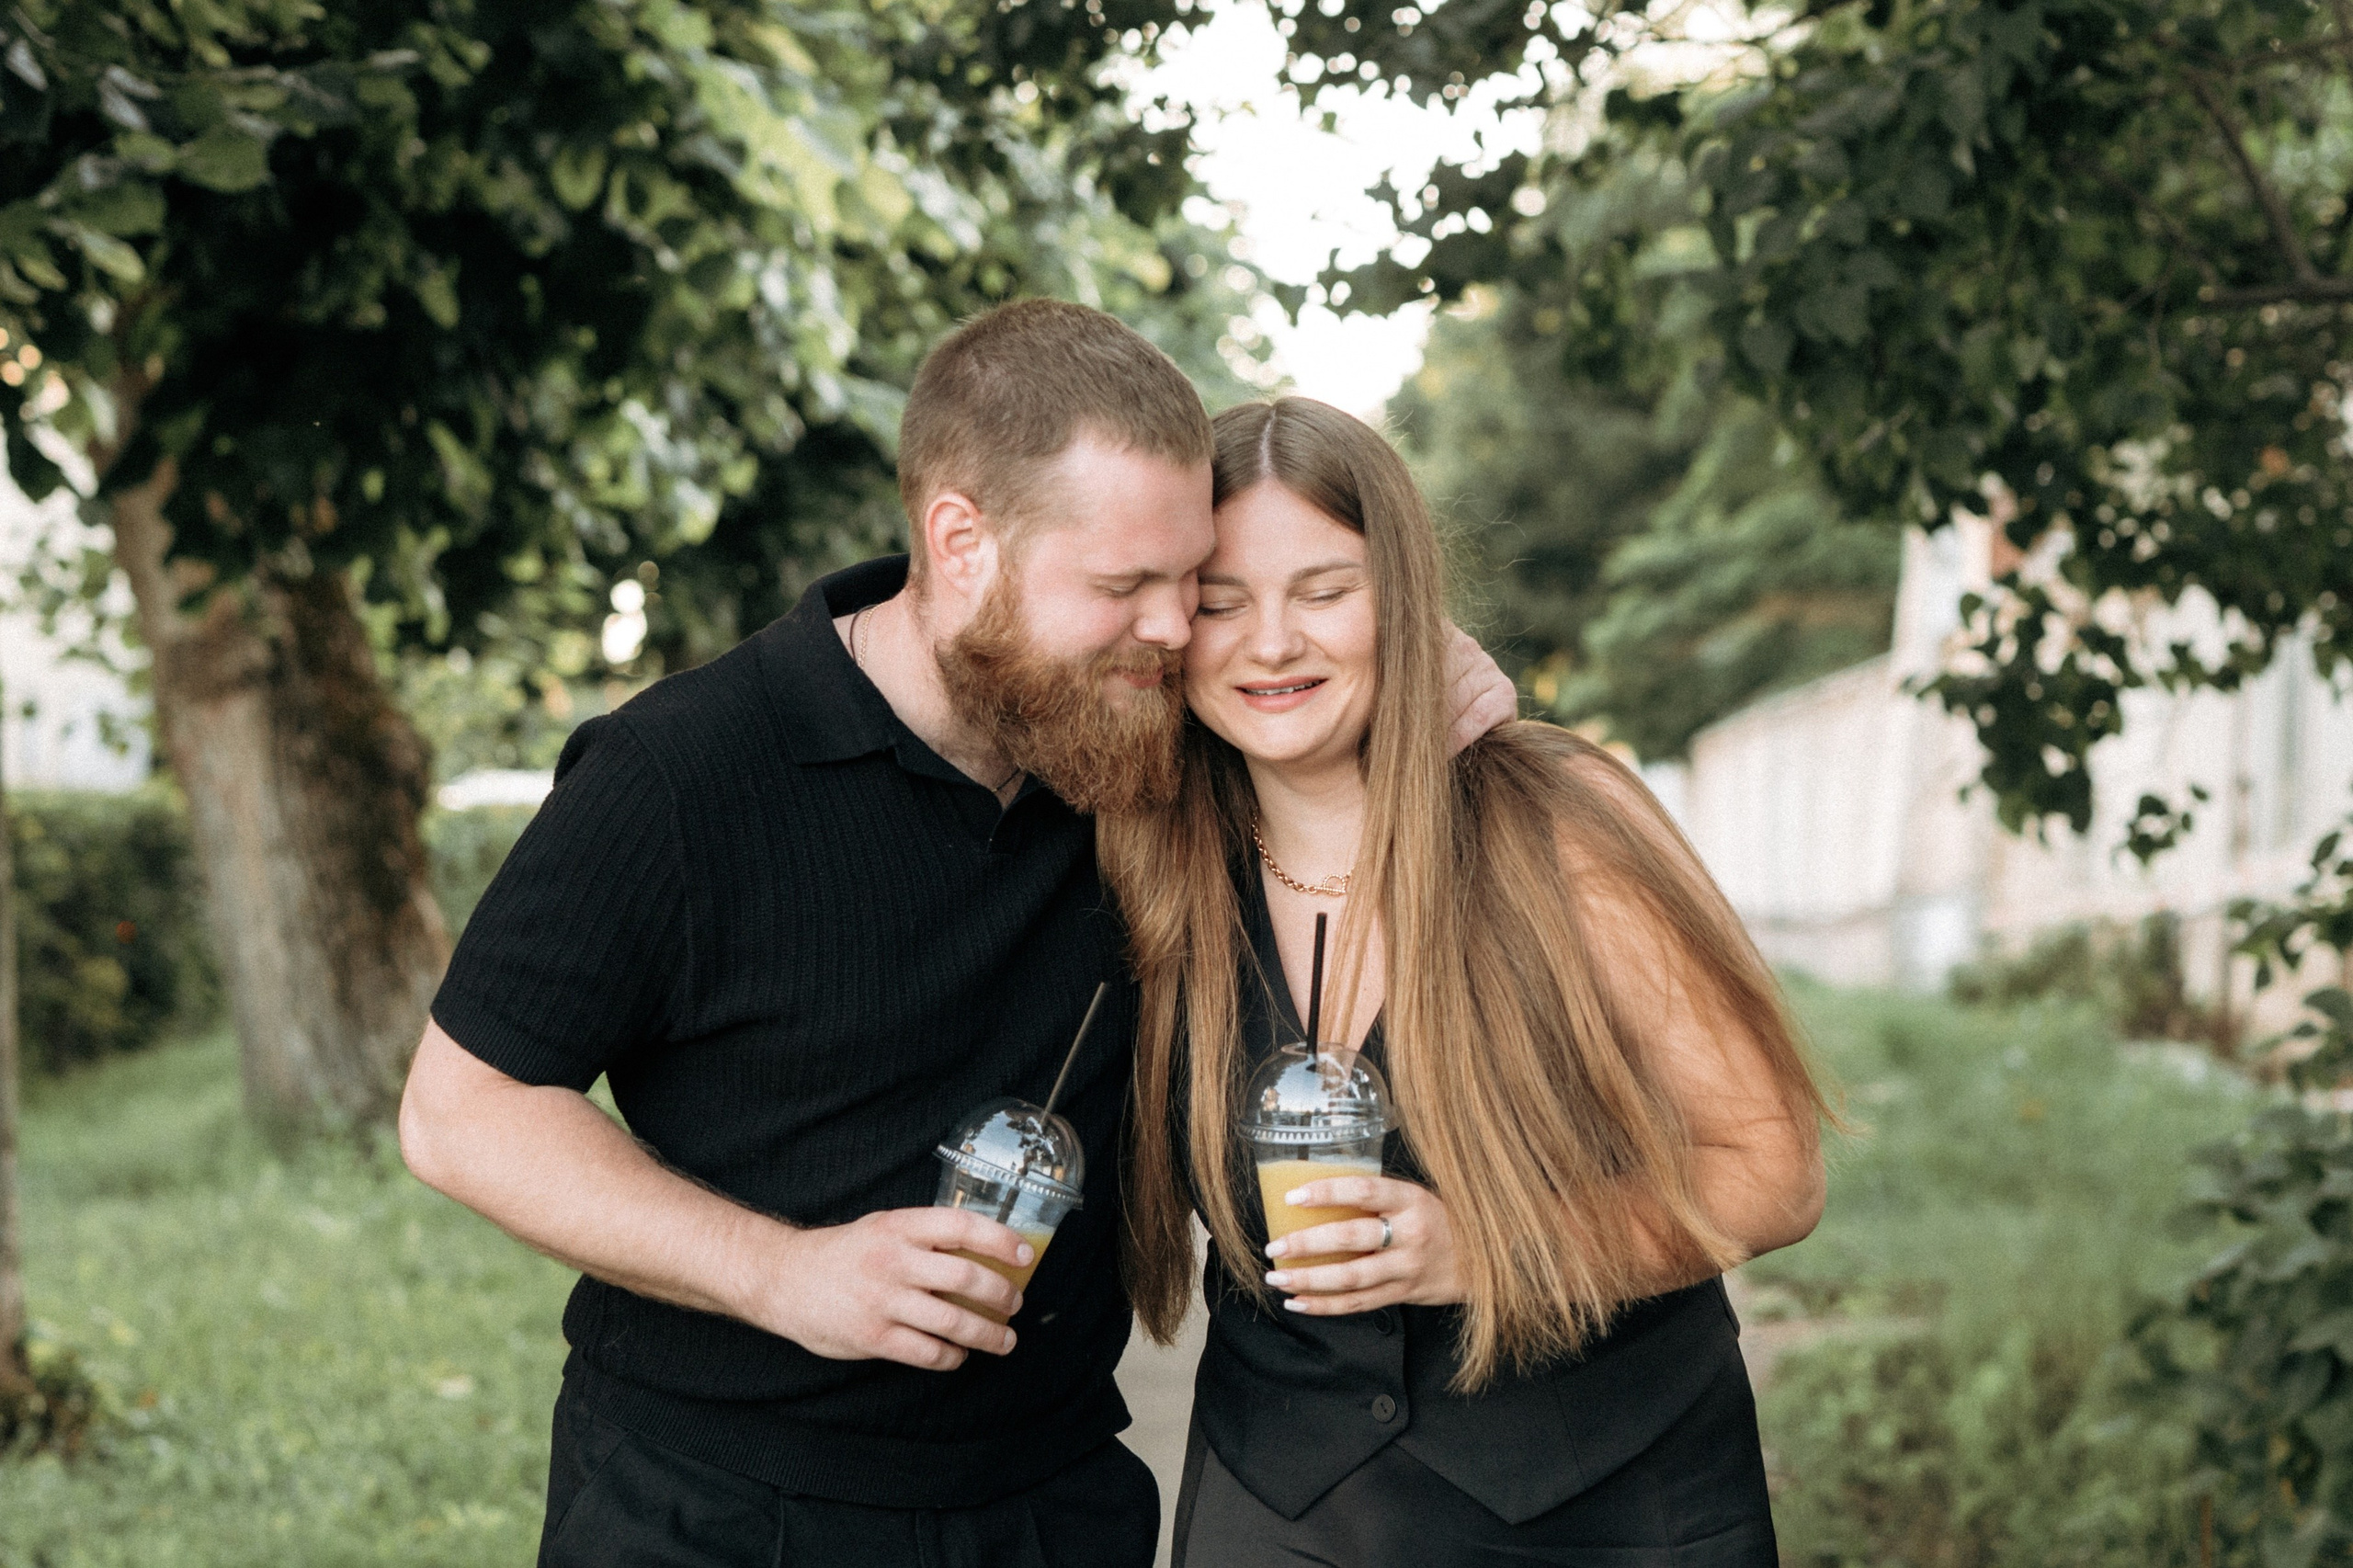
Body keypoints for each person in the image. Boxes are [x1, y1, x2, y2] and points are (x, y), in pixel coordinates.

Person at [397, 302, 1516, 1567]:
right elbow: (462, 1108)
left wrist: (1430, 665)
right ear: (961, 539)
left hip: (1054, 1503)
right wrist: (782, 1273)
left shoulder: (1133, 732)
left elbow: (1312, 677)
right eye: (1124, 586)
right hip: (716, 1507)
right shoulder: (681, 773)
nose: (1171, 629)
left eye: (1186, 583)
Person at [1099, 397, 1833, 1567]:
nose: (1271, 641)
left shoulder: (1561, 825)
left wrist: (1489, 1251)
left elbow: (1773, 1170)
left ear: (1404, 593)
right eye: (1223, 600)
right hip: (1284, 1507)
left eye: (1327, 590)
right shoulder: (1133, 851)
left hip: (1612, 1507)